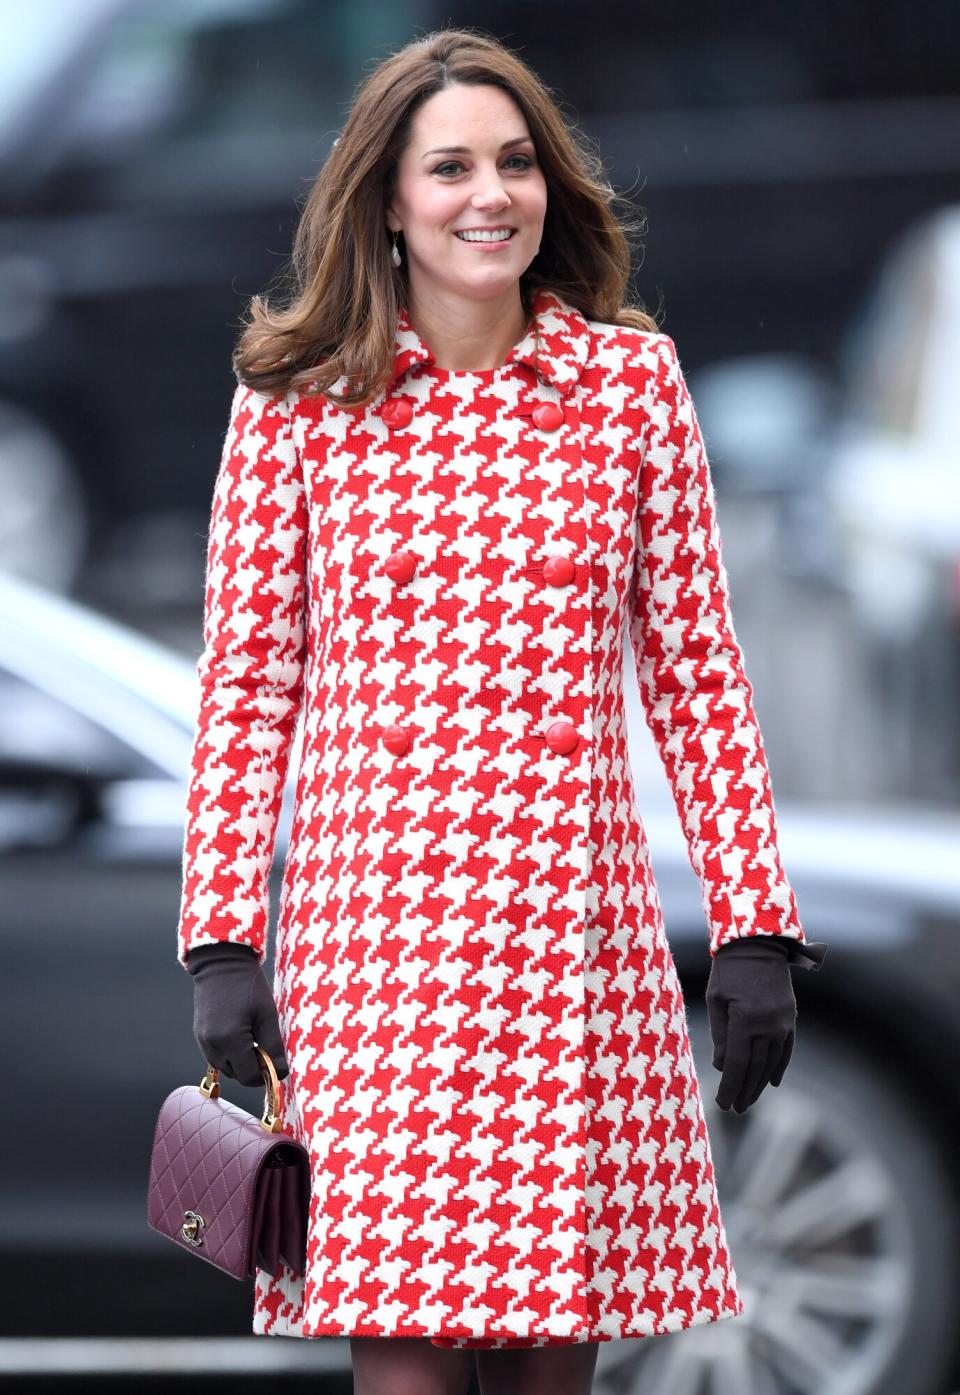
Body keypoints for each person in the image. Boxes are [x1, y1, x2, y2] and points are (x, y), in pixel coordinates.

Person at [178, 25, 827, 1395]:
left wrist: (758, 923)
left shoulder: (628, 389)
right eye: (453, 166)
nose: (492, 194)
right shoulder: (300, 401)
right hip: (379, 964)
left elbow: (700, 667)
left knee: (550, 1363)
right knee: (405, 1365)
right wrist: (222, 937)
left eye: (517, 162)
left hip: (570, 959)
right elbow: (249, 683)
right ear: (391, 203)